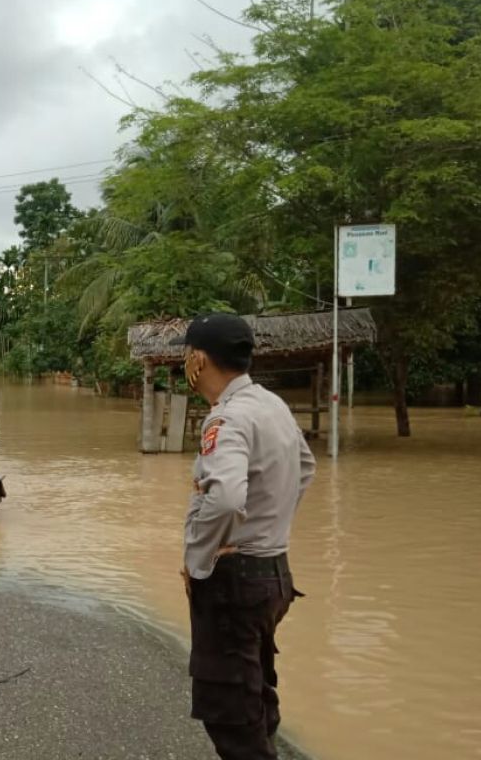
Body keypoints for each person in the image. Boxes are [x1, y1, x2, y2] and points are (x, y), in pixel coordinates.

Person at [173, 313, 316, 760]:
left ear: (198, 359)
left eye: (185, 355)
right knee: (254, 689)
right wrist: (269, 528)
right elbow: (306, 467)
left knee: (229, 709)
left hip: (235, 581)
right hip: (274, 572)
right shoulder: (272, 404)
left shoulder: (226, 419)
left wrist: (199, 562)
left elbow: (228, 498)